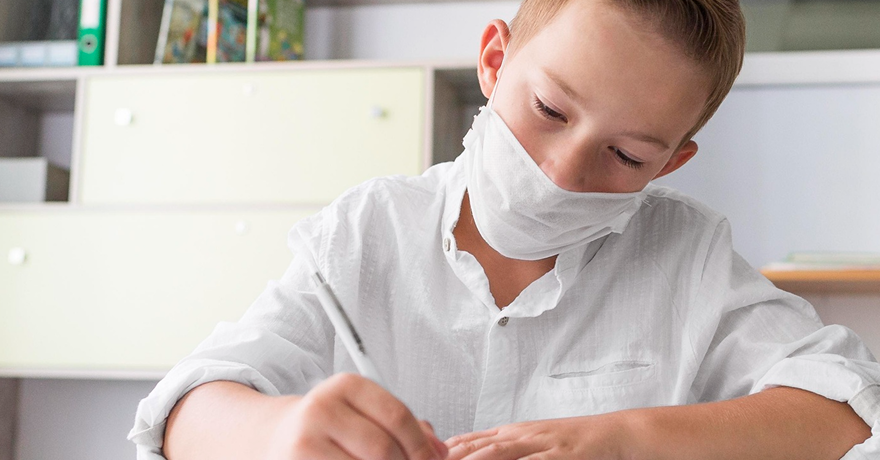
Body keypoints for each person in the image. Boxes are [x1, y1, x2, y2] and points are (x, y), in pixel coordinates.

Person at [130, 0, 880, 458]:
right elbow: (186, 412)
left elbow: (849, 406)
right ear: (494, 61)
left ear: (670, 163)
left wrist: (624, 441)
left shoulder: (685, 257)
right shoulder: (370, 231)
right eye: (549, 110)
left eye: (626, 155)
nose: (562, 171)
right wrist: (278, 434)